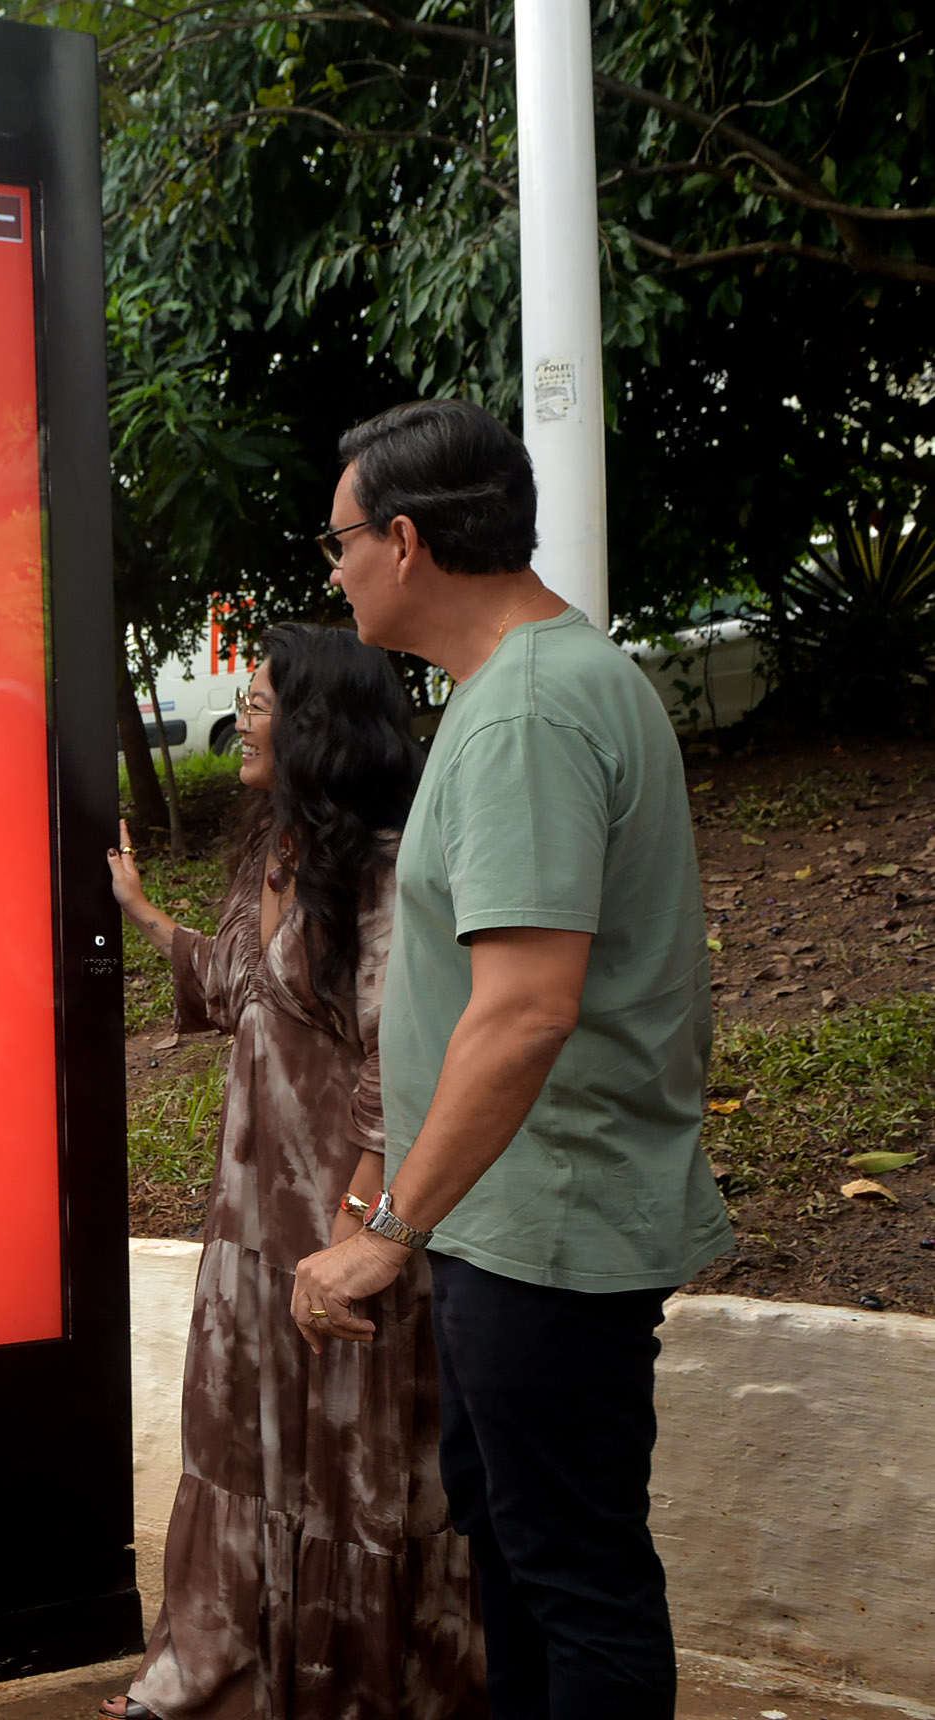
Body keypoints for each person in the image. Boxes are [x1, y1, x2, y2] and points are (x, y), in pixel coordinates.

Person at [293, 400, 731, 1720]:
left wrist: (390, 1227)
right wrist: (394, 1185)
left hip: (547, 1228)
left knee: (573, 1575)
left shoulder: (527, 716)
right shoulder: (524, 691)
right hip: (513, 1219)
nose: (336, 571)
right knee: (524, 1560)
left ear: (409, 540)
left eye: (341, 542)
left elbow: (527, 1010)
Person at [104, 627, 482, 1720]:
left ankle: (353, 1685)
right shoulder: (277, 857)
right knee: (245, 1448)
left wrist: (362, 1227)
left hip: (341, 1218)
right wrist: (138, 912)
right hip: (250, 1220)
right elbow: (233, 984)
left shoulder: (382, 872)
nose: (243, 709)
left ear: (318, 726)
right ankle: (229, 1671)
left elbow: (395, 1059)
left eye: (262, 697)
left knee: (346, 1455)